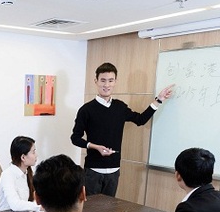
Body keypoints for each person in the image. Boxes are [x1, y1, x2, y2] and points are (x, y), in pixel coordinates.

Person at [71, 62, 174, 197]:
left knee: (109, 209)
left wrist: (159, 99)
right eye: (103, 80)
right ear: (96, 81)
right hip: (93, 170)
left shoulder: (120, 107)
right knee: (91, 208)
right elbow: (75, 138)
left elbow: (140, 120)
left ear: (115, 82)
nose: (106, 85)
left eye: (110, 80)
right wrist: (95, 147)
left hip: (114, 170)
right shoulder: (86, 109)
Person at [0, 136, 41, 212]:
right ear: (23, 157)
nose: (36, 155)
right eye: (33, 152)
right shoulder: (7, 176)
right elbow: (15, 204)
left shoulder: (26, 172)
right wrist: (39, 207)